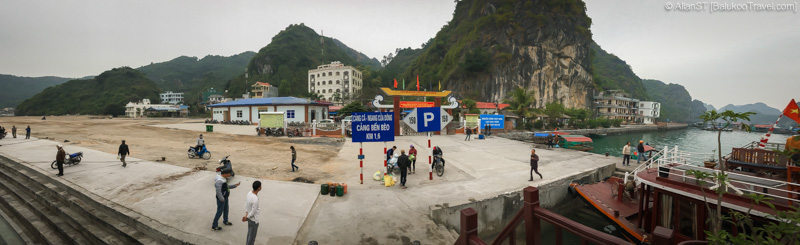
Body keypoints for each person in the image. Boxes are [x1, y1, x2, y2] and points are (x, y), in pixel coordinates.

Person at [242, 180, 261, 245]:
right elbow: (253, 211)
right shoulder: (255, 199)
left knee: (249, 234)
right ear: (259, 188)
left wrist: (246, 214)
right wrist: (247, 217)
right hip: (254, 220)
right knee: (252, 237)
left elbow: (246, 203)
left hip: (249, 218)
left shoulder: (249, 193)